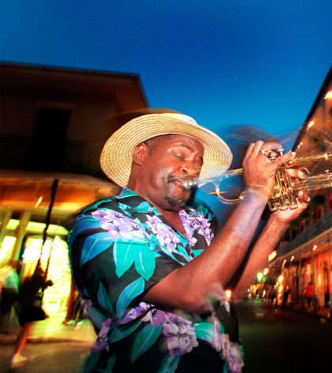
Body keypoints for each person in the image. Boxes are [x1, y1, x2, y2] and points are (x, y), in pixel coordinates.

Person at [68, 112, 309, 372]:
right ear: (140, 154)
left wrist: (278, 222)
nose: (191, 168)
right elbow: (192, 294)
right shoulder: (99, 222)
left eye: (197, 162)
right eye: (180, 155)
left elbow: (233, 286)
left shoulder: (200, 216)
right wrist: (258, 192)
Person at [10, 265, 53, 368]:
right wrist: (48, 282)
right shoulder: (36, 281)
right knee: (26, 330)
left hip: (22, 307)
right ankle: (16, 356)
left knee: (25, 330)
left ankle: (17, 353)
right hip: (29, 308)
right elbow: (45, 284)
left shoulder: (27, 281)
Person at [0, 260, 20, 333]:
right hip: (10, 292)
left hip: (9, 292)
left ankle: (3, 328)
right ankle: (3, 328)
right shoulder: (9, 271)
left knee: (6, 310)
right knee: (6, 310)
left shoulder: (7, 271)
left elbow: (1, 282)